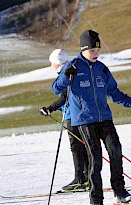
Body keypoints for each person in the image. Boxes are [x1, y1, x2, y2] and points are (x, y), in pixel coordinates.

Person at [52, 30, 131, 205]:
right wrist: (66, 75)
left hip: (104, 118)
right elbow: (56, 88)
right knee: (95, 161)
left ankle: (120, 193)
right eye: (92, 49)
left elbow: (115, 93)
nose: (96, 53)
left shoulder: (102, 69)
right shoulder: (73, 66)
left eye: (98, 48)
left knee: (116, 150)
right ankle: (96, 203)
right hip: (85, 120)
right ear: (83, 49)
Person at [40, 49, 89, 192]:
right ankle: (86, 178)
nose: (51, 65)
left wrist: (50, 108)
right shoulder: (71, 69)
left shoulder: (66, 73)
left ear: (57, 63)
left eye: (52, 63)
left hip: (72, 115)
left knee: (77, 147)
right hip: (77, 113)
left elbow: (65, 96)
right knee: (82, 146)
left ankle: (80, 180)